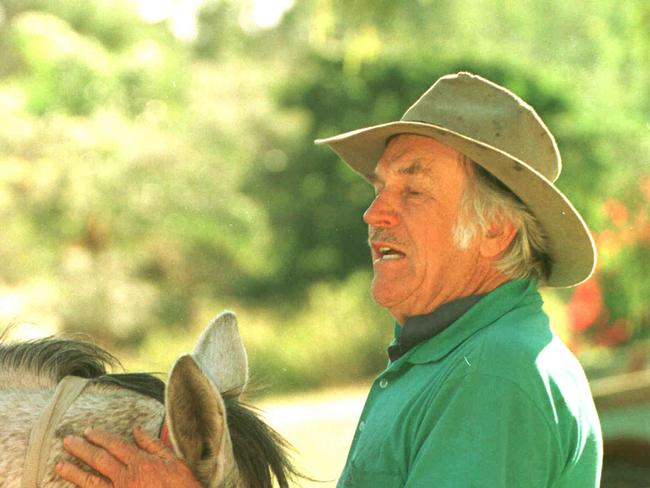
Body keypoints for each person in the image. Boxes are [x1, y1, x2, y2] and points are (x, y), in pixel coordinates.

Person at [57, 72, 603, 487]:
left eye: (413, 191)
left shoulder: (491, 375)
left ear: (498, 234)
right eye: (380, 188)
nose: (375, 214)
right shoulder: (459, 357)